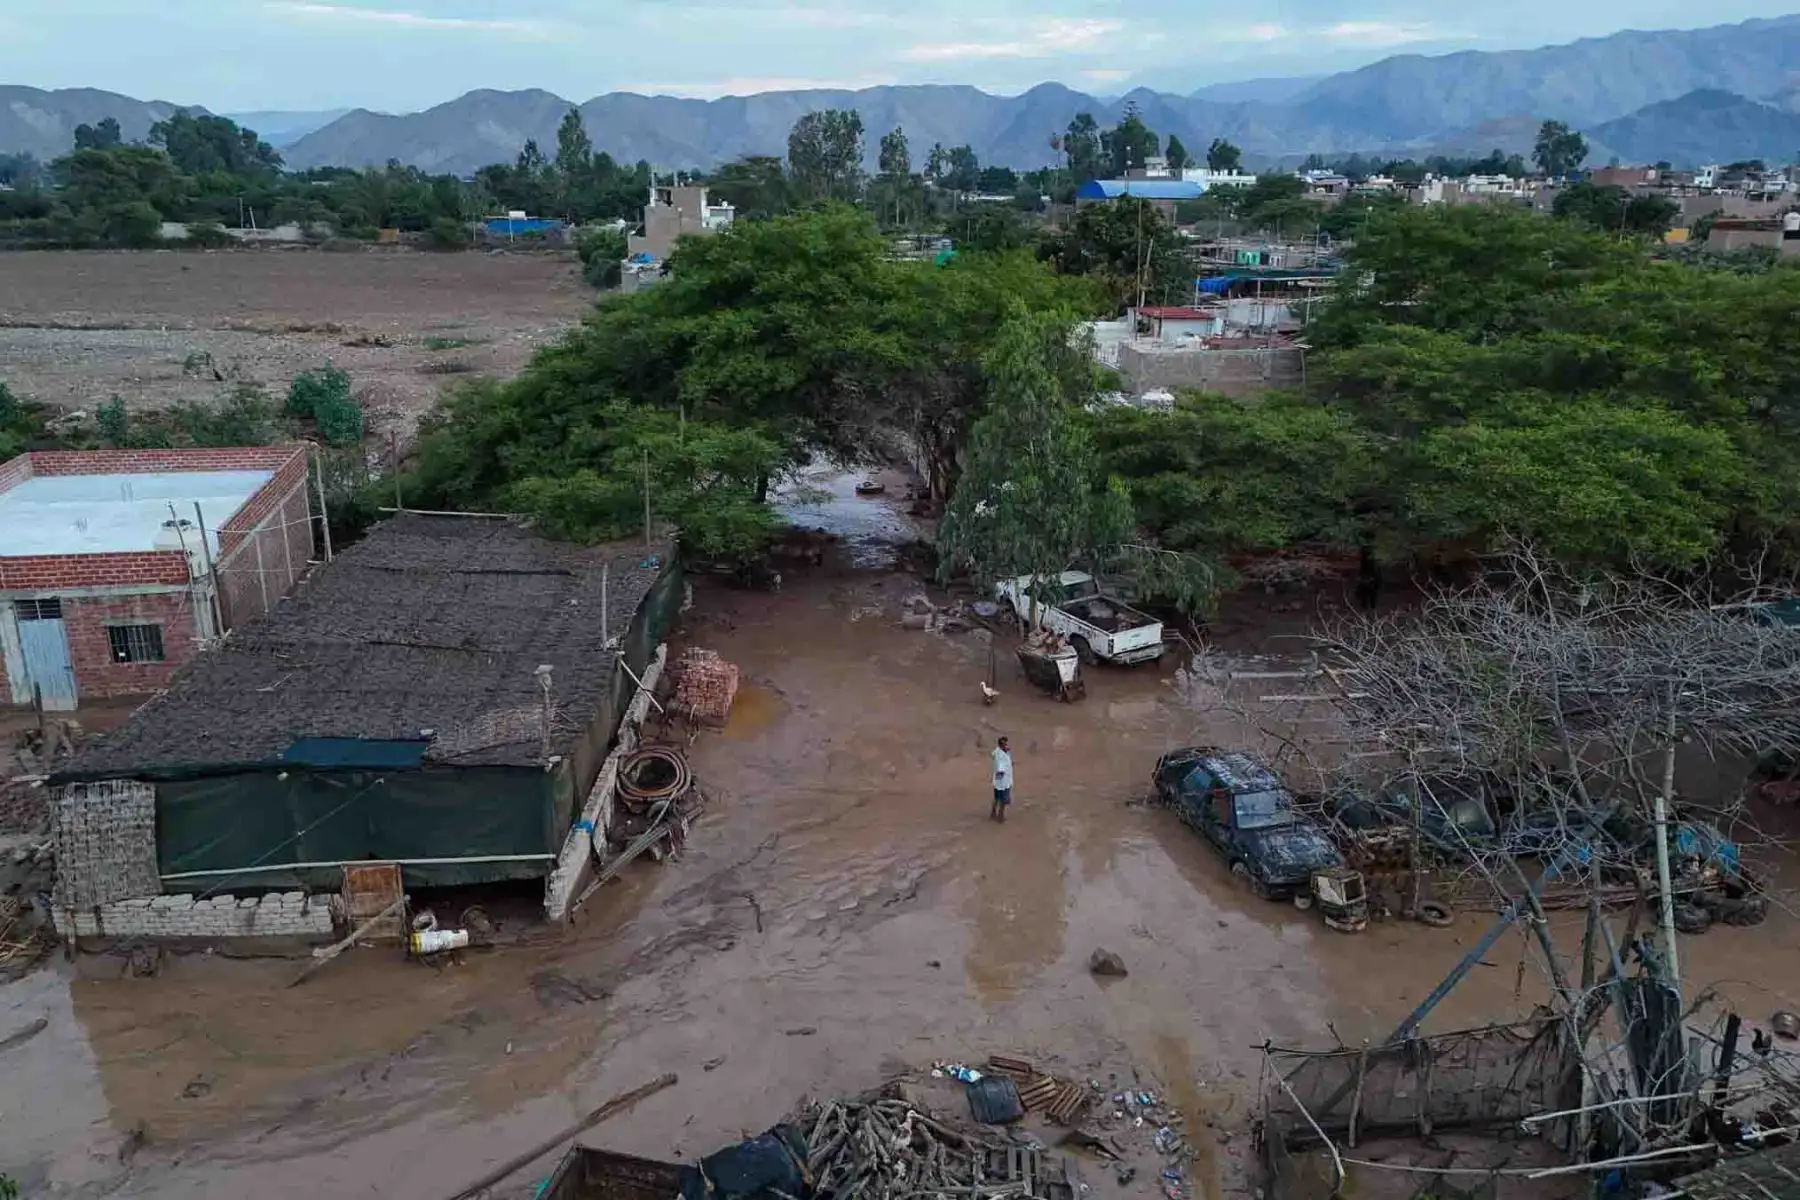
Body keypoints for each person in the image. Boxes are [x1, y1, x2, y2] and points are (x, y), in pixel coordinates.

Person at [990, 736, 1013, 822]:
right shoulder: (1001, 757)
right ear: (1002, 745)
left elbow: (993, 753)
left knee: (997, 798)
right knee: (1003, 801)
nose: (1007, 745)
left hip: (998, 782)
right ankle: (1001, 816)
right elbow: (1000, 770)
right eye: (1005, 744)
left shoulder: (998, 751)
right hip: (1003, 782)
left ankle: (993, 813)